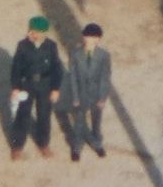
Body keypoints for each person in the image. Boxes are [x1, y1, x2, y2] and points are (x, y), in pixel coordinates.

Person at [8, 16, 64, 160]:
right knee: (22, 115)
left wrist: (56, 88)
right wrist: (15, 87)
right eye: (30, 31)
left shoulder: (51, 46)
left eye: (35, 32)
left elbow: (57, 68)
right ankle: (17, 146)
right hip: (27, 84)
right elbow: (16, 68)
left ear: (44, 33)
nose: (31, 34)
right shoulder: (22, 46)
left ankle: (43, 143)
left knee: (44, 116)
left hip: (45, 84)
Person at [59, 21, 112, 161]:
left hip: (96, 94)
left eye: (93, 38)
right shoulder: (75, 54)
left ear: (98, 39)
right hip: (81, 93)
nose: (90, 40)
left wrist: (102, 97)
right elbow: (73, 77)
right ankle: (77, 147)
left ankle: (97, 144)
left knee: (96, 121)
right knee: (79, 122)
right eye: (87, 37)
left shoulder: (104, 55)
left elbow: (105, 78)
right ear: (83, 38)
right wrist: (75, 97)